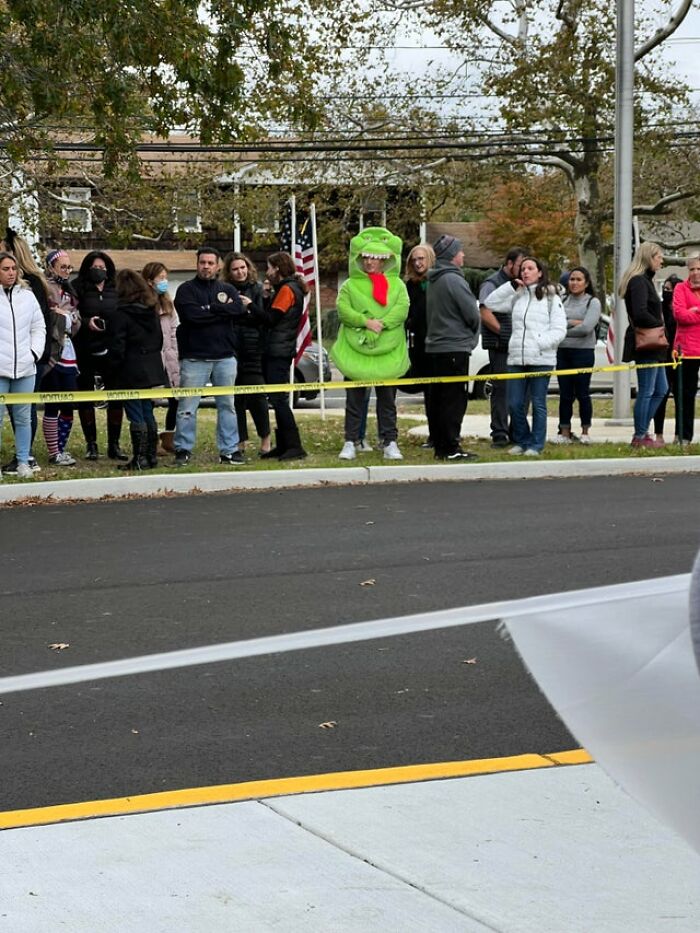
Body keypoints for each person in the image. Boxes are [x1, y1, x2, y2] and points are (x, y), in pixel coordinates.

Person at [331, 227, 409, 461]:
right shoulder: (349, 285)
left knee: (387, 401)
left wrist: (380, 325)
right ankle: (351, 441)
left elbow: (402, 309)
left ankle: (390, 442)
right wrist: (365, 321)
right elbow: (343, 309)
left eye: (374, 258)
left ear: (384, 260)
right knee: (354, 400)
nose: (369, 262)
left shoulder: (398, 285)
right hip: (356, 351)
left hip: (388, 352)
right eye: (365, 257)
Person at [173, 246, 247, 467]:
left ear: (218, 266)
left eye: (210, 263)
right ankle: (183, 449)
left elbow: (238, 310)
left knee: (228, 406)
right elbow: (191, 316)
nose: (206, 266)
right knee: (187, 407)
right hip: (194, 358)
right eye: (202, 262)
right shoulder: (186, 290)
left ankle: (229, 450)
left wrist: (210, 309)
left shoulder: (227, 288)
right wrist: (220, 311)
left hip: (225, 357)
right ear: (197, 264)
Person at [485, 256, 567, 456]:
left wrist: (539, 343)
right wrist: (510, 287)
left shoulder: (552, 299)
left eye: (530, 268)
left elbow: (559, 330)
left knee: (538, 403)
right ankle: (522, 440)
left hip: (541, 359)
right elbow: (490, 303)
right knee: (514, 403)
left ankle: (536, 444)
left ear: (540, 272)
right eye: (522, 269)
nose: (525, 272)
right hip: (516, 358)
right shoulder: (517, 296)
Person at [0, 229, 51, 475]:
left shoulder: (28, 296)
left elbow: (39, 327)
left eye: (13, 268)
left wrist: (34, 353)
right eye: (5, 269)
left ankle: (23, 461)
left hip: (25, 368)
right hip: (0, 369)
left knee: (23, 418)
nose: (11, 273)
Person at [424, 234, 480, 460]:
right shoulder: (454, 280)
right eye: (460, 251)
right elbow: (472, 313)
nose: (463, 255)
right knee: (453, 401)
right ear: (452, 255)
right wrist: (470, 336)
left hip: (436, 348)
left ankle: (440, 446)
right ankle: (450, 448)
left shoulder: (434, 280)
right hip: (454, 347)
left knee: (438, 400)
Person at [72, 250, 127, 461]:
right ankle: (91, 444)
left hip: (112, 348)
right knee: (86, 396)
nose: (99, 271)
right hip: (85, 348)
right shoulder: (77, 287)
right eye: (95, 267)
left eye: (102, 268)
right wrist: (87, 322)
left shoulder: (116, 288)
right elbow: (72, 313)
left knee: (116, 397)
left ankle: (114, 444)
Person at [109, 270, 166, 470]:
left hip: (130, 370)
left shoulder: (120, 314)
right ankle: (151, 456)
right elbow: (159, 341)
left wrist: (113, 367)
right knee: (147, 411)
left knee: (135, 413)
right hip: (150, 368)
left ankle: (140, 458)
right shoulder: (151, 312)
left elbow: (117, 347)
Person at [258, 251, 308, 461]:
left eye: (269, 267)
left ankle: (294, 445)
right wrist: (266, 297)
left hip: (278, 351)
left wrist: (250, 305)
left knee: (278, 399)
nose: (267, 272)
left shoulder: (288, 289)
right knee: (276, 398)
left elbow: (271, 319)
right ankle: (284, 444)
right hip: (278, 349)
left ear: (277, 268)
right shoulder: (286, 288)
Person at [221, 251, 271, 456]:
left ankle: (265, 438)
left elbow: (264, 318)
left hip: (254, 349)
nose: (240, 272)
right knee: (236, 399)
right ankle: (240, 441)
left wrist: (248, 308)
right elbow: (224, 316)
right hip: (231, 348)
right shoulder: (224, 290)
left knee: (257, 397)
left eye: (242, 267)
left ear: (248, 268)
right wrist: (242, 312)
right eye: (235, 269)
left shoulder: (258, 289)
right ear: (229, 272)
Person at [619, 242, 668, 449]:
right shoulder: (638, 281)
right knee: (647, 390)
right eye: (659, 257)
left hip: (655, 344)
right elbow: (640, 313)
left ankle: (642, 430)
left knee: (661, 389)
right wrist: (659, 326)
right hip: (646, 342)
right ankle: (640, 435)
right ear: (649, 258)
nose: (662, 261)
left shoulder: (646, 280)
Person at [479, 247, 527, 448]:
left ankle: (517, 432)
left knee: (521, 390)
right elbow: (485, 311)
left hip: (520, 346)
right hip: (500, 346)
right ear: (509, 264)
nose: (523, 270)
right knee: (501, 390)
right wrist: (505, 333)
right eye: (520, 265)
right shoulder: (492, 283)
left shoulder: (524, 283)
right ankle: (499, 433)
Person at [553, 266, 601, 444]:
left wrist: (564, 329)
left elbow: (587, 328)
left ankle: (585, 431)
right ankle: (564, 432)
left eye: (579, 279)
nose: (574, 283)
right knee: (565, 394)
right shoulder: (562, 300)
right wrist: (573, 322)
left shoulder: (592, 302)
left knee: (582, 393)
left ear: (586, 283)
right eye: (572, 279)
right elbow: (554, 323)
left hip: (583, 352)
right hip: (563, 351)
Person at [43, 249, 81, 465]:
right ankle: (53, 452)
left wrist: (72, 318)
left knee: (68, 403)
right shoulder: (44, 287)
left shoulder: (70, 291)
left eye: (69, 267)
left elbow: (76, 321)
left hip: (68, 350)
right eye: (63, 267)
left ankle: (61, 447)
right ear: (51, 267)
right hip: (51, 351)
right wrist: (58, 315)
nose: (67, 271)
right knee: (52, 402)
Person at [142, 262, 179, 454]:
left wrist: (175, 352)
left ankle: (169, 437)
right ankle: (152, 439)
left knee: (176, 399)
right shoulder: (142, 304)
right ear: (149, 281)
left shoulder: (168, 303)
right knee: (150, 401)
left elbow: (174, 330)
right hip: (152, 358)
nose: (164, 281)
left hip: (170, 357)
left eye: (166, 277)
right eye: (161, 278)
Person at [404, 243, 436, 444]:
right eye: (414, 260)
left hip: (438, 343)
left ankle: (443, 433)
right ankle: (433, 434)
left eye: (421, 259)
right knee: (428, 392)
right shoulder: (410, 286)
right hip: (419, 345)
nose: (417, 263)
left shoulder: (438, 283)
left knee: (439, 392)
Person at [672, 256, 700, 445]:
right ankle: (683, 436)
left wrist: (695, 310)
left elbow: (687, 314)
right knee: (685, 395)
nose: (695, 273)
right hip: (687, 349)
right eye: (692, 269)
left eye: (699, 269)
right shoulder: (680, 288)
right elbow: (680, 315)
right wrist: (689, 312)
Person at [654, 273, 682, 444]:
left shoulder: (682, 308)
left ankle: (679, 434)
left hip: (680, 356)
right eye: (665, 289)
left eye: (670, 289)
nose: (666, 292)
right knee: (661, 395)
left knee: (680, 396)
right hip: (662, 356)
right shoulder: (659, 308)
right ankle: (658, 434)